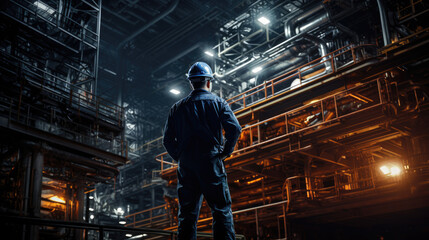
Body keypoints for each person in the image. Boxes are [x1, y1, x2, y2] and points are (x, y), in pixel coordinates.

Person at [163, 62, 242, 240]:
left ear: (191, 83)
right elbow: (235, 129)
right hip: (211, 161)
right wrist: (225, 152)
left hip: (187, 165)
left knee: (187, 214)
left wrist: (180, 157)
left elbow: (167, 140)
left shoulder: (177, 108)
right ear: (208, 82)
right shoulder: (218, 103)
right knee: (221, 210)